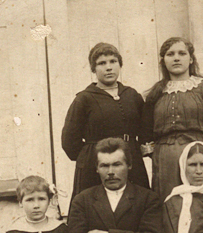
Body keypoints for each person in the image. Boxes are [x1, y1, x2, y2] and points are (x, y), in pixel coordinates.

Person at [142, 37, 203, 202]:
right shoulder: (155, 93)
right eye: (170, 54)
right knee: (169, 205)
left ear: (191, 59)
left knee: (202, 204)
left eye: (182, 53)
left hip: (197, 159)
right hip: (166, 162)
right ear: (163, 61)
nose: (176, 58)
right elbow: (145, 133)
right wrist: (159, 155)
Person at [62, 42, 150, 203]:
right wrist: (90, 158)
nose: (108, 67)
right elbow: (69, 141)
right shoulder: (84, 99)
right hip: (96, 165)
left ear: (120, 65)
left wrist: (135, 150)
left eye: (113, 61)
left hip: (130, 161)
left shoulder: (132, 95)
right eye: (102, 63)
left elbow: (145, 130)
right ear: (93, 69)